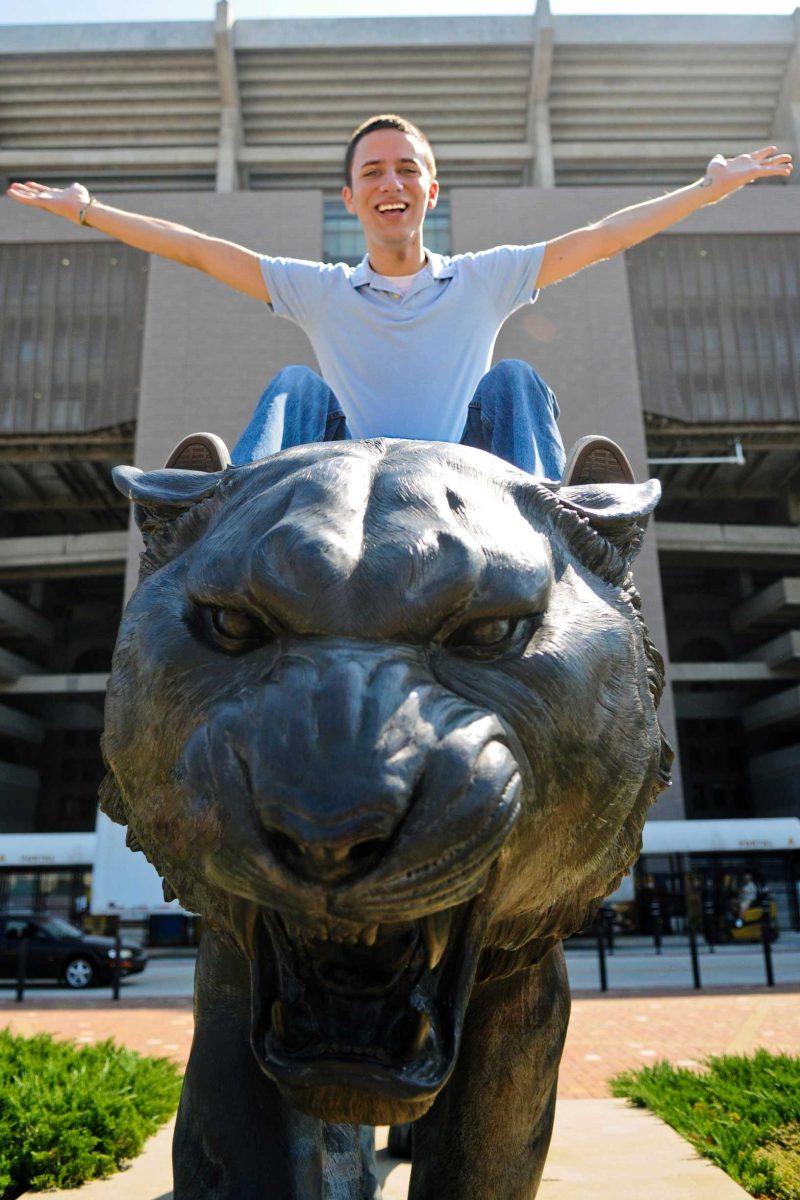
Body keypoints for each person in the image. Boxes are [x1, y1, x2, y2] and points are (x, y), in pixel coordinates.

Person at [6, 115, 792, 481]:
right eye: (373, 172)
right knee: (294, 386)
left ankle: (566, 521)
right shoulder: (319, 291)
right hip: (351, 463)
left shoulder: (483, 277)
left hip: (467, 460)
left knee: (516, 379)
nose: (392, 183)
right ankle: (221, 506)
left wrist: (706, 190)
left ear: (430, 190)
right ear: (349, 198)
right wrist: (87, 210)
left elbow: (606, 236)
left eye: (406, 169)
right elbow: (195, 250)